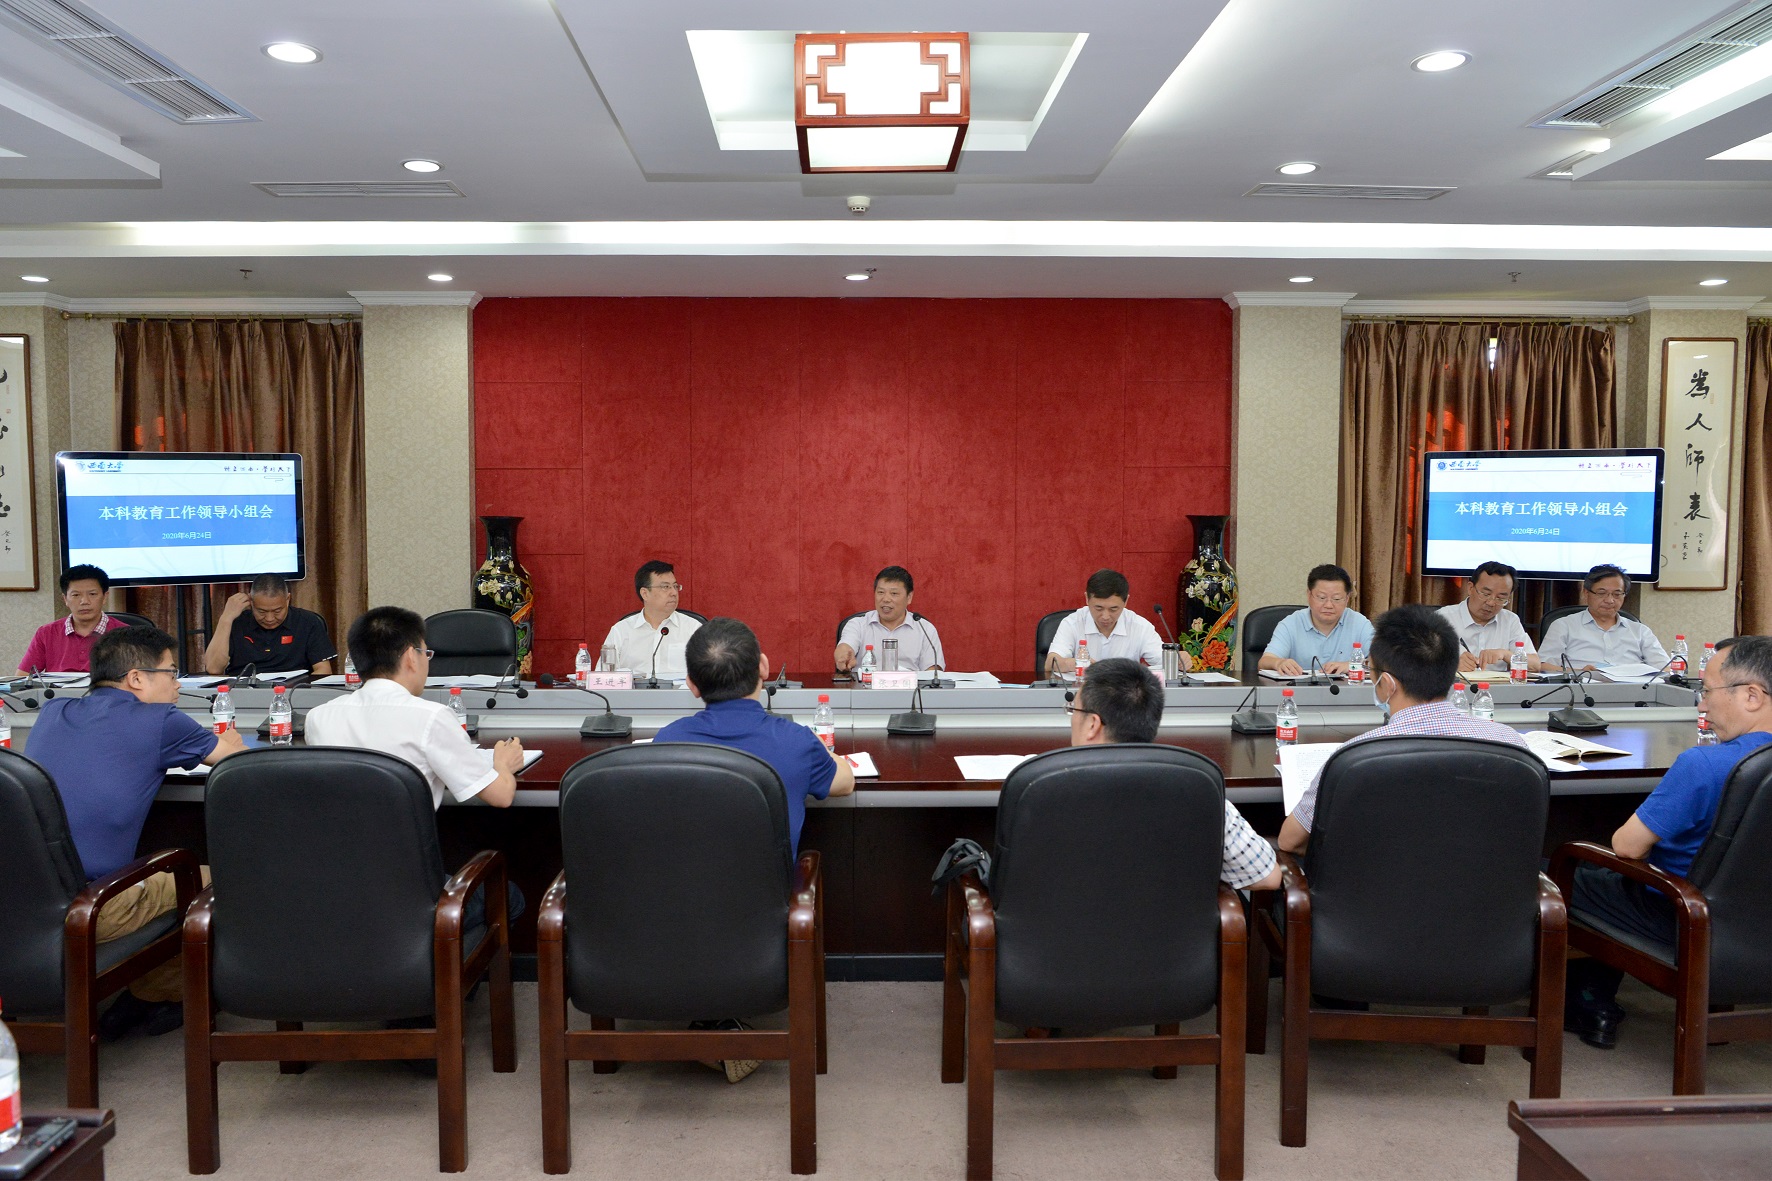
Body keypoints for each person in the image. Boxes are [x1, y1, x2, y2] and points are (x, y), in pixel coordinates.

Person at [654, 616, 855, 1083]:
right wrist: (825, 756)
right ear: (763, 667)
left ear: (691, 685)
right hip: (763, 919)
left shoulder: (667, 740)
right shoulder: (795, 741)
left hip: (675, 913)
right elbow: (844, 781)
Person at [24, 625, 246, 1038]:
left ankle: (144, 990)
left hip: (22, 898)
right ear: (137, 678)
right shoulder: (161, 720)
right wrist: (231, 741)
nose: (177, 684)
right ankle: (162, 993)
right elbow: (238, 764)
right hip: (91, 906)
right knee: (212, 877)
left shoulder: (54, 712)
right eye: (172, 672)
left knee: (159, 865)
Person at [1563, 635, 1772, 1050]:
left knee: (1569, 868)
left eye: (1707, 692)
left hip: (1685, 919)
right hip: (1757, 924)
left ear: (1751, 696)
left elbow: (1627, 847)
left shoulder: (1705, 764)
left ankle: (1587, 1002)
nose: (1702, 706)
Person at [1278, 604, 1528, 855]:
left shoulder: (1355, 757)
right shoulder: (1510, 743)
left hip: (1379, 880)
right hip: (1484, 879)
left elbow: (1290, 841)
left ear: (1387, 684)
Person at [1070, 658, 1280, 891]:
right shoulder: (1197, 791)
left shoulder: (1045, 787)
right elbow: (1267, 877)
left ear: (1092, 724)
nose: (1071, 719)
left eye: (1073, 710)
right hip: (1175, 917)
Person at [305, 606, 525, 811]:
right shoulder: (431, 718)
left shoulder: (318, 718)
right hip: (401, 841)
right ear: (411, 657)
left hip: (337, 841)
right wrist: (503, 764)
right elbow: (501, 796)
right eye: (426, 653)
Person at [1045, 568, 1174, 678]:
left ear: (1126, 601)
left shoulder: (1140, 626)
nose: (1105, 616)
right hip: (1084, 694)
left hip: (1125, 695)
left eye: (1113, 609)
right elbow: (1050, 663)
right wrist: (1077, 664)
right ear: (1087, 599)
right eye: (1098, 608)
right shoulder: (1072, 623)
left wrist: (1178, 660)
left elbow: (1166, 661)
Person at [1539, 564, 1668, 672]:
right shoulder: (1563, 625)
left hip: (1632, 689)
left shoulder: (1640, 631)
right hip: (1581, 687)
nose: (1609, 600)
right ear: (1586, 593)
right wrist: (1579, 673)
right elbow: (1543, 666)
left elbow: (1665, 667)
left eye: (1617, 594)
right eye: (1601, 593)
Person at [203, 573, 334, 677]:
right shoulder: (236, 622)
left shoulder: (308, 622)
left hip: (292, 693)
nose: (269, 619)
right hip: (243, 693)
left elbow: (323, 670)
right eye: (261, 611)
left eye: (277, 611)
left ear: (288, 599)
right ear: (251, 601)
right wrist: (226, 618)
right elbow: (213, 669)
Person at [1259, 564, 1373, 676]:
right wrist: (1279, 663)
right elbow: (1264, 662)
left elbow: (1380, 662)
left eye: (1337, 599)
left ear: (1347, 599)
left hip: (1346, 688)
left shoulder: (1359, 623)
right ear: (1309, 595)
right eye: (1322, 598)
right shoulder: (1290, 624)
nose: (1328, 605)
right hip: (1301, 688)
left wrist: (1353, 665)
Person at [599, 560, 702, 682]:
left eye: (675, 586)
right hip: (634, 694)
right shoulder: (621, 631)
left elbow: (709, 676)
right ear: (645, 593)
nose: (674, 593)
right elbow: (603, 679)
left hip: (680, 694)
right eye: (665, 587)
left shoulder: (693, 629)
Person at [834, 565, 945, 673]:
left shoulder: (925, 629)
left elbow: (933, 672)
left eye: (894, 593)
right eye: (881, 592)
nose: (886, 599)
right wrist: (843, 658)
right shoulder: (857, 624)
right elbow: (845, 647)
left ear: (909, 597)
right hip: (866, 684)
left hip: (910, 686)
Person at [1438, 560, 1541, 675]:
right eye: (1486, 594)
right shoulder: (1443, 618)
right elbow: (1423, 663)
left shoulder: (1510, 620)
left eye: (1500, 598)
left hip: (1498, 686)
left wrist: (1505, 654)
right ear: (1470, 588)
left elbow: (1535, 665)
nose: (1491, 603)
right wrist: (1451, 664)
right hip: (1456, 685)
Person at [19, 564, 124, 673]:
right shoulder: (46, 633)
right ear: (65, 599)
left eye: (92, 594)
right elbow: (22, 676)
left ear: (105, 597)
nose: (84, 601)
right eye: (76, 595)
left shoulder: (125, 634)